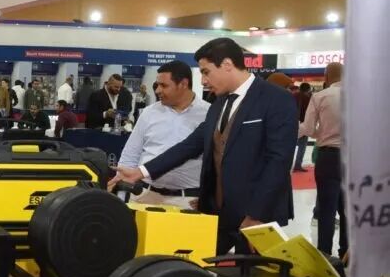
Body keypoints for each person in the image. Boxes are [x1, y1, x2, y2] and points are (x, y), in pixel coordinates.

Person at [111, 38, 297, 254]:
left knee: (251, 273)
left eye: (206, 72)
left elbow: (279, 161)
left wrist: (256, 215)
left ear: (227, 64)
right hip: (218, 213)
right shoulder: (219, 103)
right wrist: (140, 172)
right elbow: (190, 145)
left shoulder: (276, 99)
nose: (203, 80)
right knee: (200, 267)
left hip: (256, 216)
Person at [116, 61, 210, 209]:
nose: (157, 90)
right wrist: (121, 199)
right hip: (145, 196)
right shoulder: (149, 113)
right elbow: (130, 155)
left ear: (183, 84)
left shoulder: (209, 114)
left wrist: (209, 198)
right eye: (157, 85)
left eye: (164, 85)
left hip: (188, 201)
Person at [300, 62, 346, 258]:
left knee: (327, 209)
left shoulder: (320, 96)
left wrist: (323, 134)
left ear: (326, 77)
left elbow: (308, 129)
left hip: (329, 157)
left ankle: (325, 254)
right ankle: (346, 254)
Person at [293, 82, 313, 172]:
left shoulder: (293, 96)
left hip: (291, 124)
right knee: (302, 146)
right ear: (308, 89)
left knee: (289, 145)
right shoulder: (308, 98)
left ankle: (286, 164)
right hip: (303, 125)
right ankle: (298, 164)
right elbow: (309, 113)